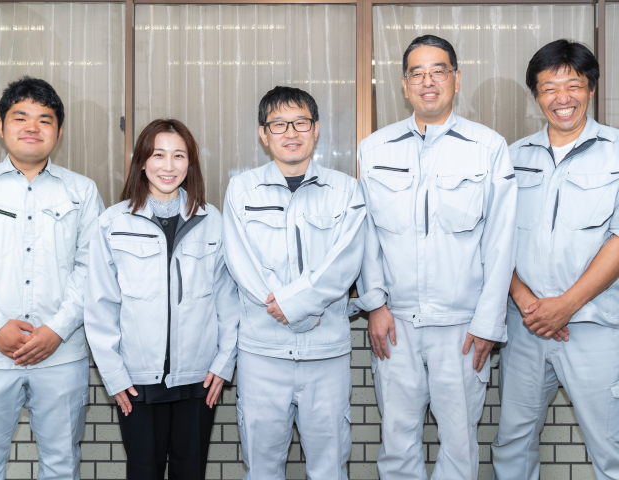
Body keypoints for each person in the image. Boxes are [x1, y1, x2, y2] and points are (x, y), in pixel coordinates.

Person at [354, 35, 517, 479]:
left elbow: (500, 242)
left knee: (460, 447)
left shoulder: (488, 147)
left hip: (463, 328)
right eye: (417, 73)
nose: (428, 82)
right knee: (397, 445)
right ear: (404, 85)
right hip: (395, 325)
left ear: (456, 79)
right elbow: (367, 236)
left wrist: (487, 323)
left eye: (438, 71)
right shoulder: (375, 148)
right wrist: (375, 305)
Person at [222, 86, 366, 479]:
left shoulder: (345, 191)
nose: (291, 132)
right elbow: (242, 264)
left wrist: (294, 307)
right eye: (279, 124)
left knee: (330, 468)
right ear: (263, 134)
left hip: (326, 355)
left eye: (301, 122)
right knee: (262, 468)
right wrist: (292, 308)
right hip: (262, 353)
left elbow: (345, 263)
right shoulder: (241, 190)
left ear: (316, 129)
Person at [491, 39, 619, 480]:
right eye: (549, 88)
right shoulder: (511, 158)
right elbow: (494, 240)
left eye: (573, 85)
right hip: (524, 328)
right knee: (513, 443)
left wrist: (565, 305)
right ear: (536, 95)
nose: (562, 98)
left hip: (594, 325)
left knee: (611, 447)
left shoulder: (617, 152)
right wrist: (526, 301)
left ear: (591, 88)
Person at [84, 119, 239, 480]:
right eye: (158, 155)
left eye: (178, 156)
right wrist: (114, 375)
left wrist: (223, 363)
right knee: (144, 472)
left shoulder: (212, 221)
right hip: (136, 379)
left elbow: (228, 301)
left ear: (190, 163)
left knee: (191, 472)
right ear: (141, 161)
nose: (168, 166)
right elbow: (100, 306)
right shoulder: (113, 223)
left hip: (198, 377)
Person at [0, 77, 104, 479]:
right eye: (21, 117)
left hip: (60, 356)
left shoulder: (82, 192)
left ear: (59, 132)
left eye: (44, 119)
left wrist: (57, 329)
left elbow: (93, 269)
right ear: (1, 127)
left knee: (61, 466)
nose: (32, 127)